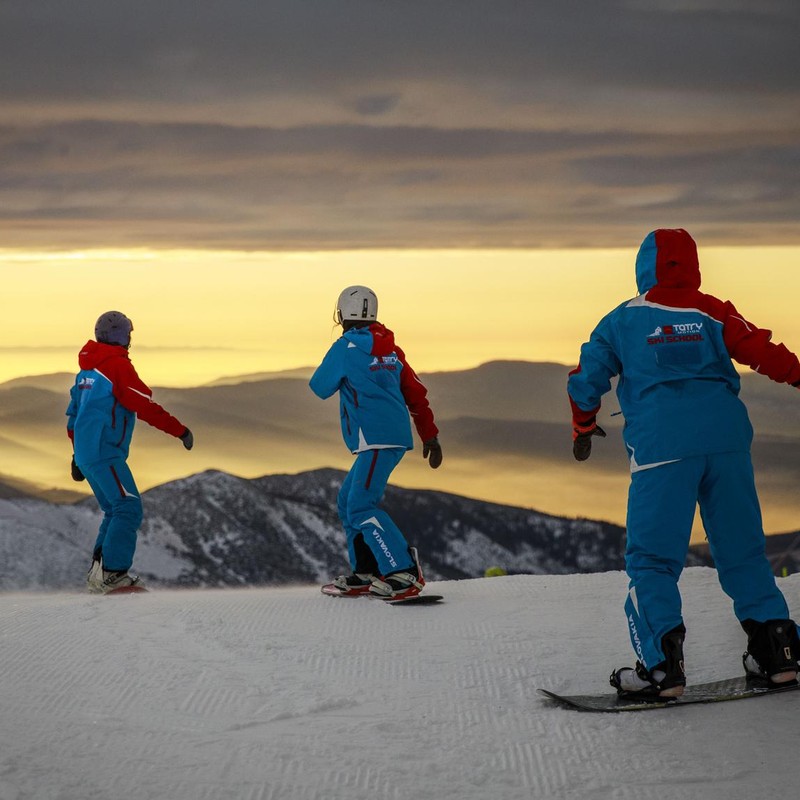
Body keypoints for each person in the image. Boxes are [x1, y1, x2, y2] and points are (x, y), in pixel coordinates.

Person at [567, 228, 800, 698]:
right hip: (727, 443)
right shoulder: (714, 311)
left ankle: (660, 669)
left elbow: (586, 376)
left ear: (644, 267)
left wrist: (583, 424)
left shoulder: (622, 320)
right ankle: (778, 657)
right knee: (743, 551)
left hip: (662, 450)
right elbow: (764, 353)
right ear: (692, 265)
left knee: (652, 559)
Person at [310, 285, 442, 600]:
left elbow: (318, 386)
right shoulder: (392, 350)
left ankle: (402, 572)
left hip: (373, 439)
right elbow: (416, 393)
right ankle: (365, 572)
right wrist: (430, 436)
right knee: (346, 501)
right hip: (394, 437)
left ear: (341, 315)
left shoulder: (345, 347)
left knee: (360, 505)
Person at [66, 311, 193, 593]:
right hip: (104, 451)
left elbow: (74, 415)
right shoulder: (116, 366)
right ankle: (113, 575)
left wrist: (77, 456)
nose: (130, 341)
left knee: (114, 509)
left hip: (89, 453)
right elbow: (143, 405)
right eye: (129, 335)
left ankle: (99, 575)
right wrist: (180, 431)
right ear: (121, 336)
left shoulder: (86, 371)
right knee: (128, 508)